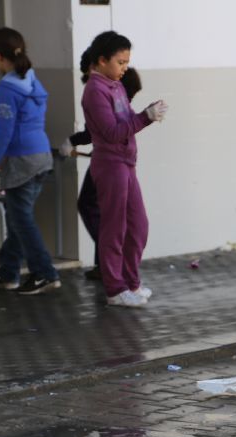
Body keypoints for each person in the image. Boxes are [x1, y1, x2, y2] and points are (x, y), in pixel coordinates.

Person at [82, 31, 167, 307]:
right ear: (102, 60)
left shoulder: (116, 86)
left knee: (138, 225)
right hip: (110, 166)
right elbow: (112, 132)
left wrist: (148, 114)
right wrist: (145, 118)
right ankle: (115, 288)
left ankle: (131, 282)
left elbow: (129, 120)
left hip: (127, 164)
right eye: (120, 62)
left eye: (127, 62)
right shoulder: (94, 90)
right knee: (114, 227)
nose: (124, 68)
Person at [0, 28, 60, 294]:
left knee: (21, 220)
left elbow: (3, 133)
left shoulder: (6, 89)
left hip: (22, 160)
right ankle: (8, 272)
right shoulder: (32, 81)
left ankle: (45, 273)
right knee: (18, 217)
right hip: (42, 157)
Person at [61, 66, 143, 280]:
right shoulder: (109, 91)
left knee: (97, 211)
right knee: (107, 215)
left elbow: (97, 132)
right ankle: (109, 262)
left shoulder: (107, 92)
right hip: (113, 162)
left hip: (107, 163)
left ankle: (108, 262)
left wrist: (71, 141)